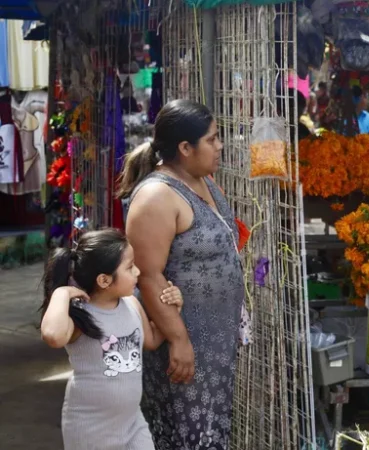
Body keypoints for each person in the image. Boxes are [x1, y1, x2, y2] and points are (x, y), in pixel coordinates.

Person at [118, 99, 246, 450]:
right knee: (183, 431)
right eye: (212, 139)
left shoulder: (202, 180)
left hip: (212, 345)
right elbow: (147, 275)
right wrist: (178, 340)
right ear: (185, 148)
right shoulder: (157, 196)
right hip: (184, 346)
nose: (220, 146)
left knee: (207, 430)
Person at [40, 228, 183, 450]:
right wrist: (61, 294)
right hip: (89, 429)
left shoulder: (132, 305)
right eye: (129, 267)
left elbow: (152, 339)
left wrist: (175, 308)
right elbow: (52, 335)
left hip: (132, 423)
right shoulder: (81, 315)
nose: (137, 272)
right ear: (104, 280)